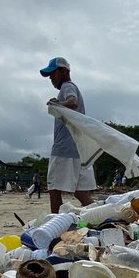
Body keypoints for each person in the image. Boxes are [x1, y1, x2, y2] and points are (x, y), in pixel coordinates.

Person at [40, 57, 96, 213]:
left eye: (53, 74)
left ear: (64, 72)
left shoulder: (67, 86)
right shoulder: (72, 87)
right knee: (81, 192)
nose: (51, 78)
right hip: (79, 151)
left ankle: (54, 225)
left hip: (64, 149)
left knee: (54, 189)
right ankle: (100, 217)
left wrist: (58, 104)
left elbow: (72, 102)